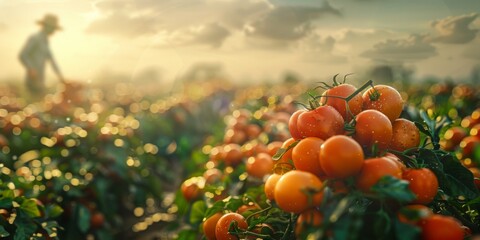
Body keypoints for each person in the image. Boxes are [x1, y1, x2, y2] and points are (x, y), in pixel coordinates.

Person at [19, 14, 65, 96]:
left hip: (40, 80)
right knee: (34, 101)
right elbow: (23, 54)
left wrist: (61, 77)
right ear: (46, 26)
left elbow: (52, 60)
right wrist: (31, 68)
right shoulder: (35, 38)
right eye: (52, 28)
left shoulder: (45, 42)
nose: (53, 31)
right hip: (32, 80)